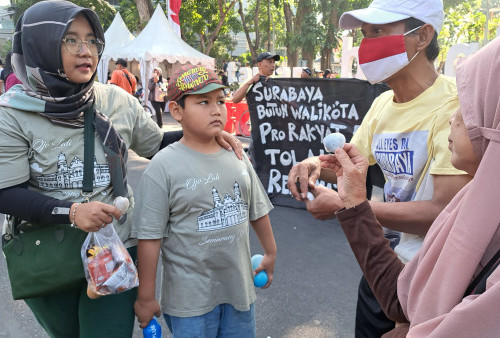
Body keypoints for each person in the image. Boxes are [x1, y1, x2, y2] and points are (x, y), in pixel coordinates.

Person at [0, 2, 241, 337]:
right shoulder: (12, 114)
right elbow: (6, 193)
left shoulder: (117, 101)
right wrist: (71, 212)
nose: (86, 52)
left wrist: (205, 133)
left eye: (92, 41)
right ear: (39, 45)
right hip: (47, 252)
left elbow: (155, 144)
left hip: (115, 248)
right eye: (70, 40)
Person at [287, 0, 471, 336]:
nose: (367, 44)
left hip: (428, 281)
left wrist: (350, 207)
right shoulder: (382, 103)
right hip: (380, 263)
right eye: (365, 34)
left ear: (423, 35)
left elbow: (444, 210)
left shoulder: (454, 107)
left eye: (379, 32)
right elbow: (350, 163)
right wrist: (313, 164)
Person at [331, 36, 500, 337]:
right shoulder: (473, 205)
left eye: (470, 108)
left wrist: (355, 207)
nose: (453, 116)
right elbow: (405, 300)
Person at [132, 64, 277, 337]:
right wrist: (146, 297)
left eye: (220, 101)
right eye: (203, 102)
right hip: (189, 302)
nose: (216, 109)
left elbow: (256, 208)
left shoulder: (237, 155)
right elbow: (149, 237)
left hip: (239, 292)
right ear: (176, 111)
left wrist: (270, 251)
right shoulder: (162, 167)